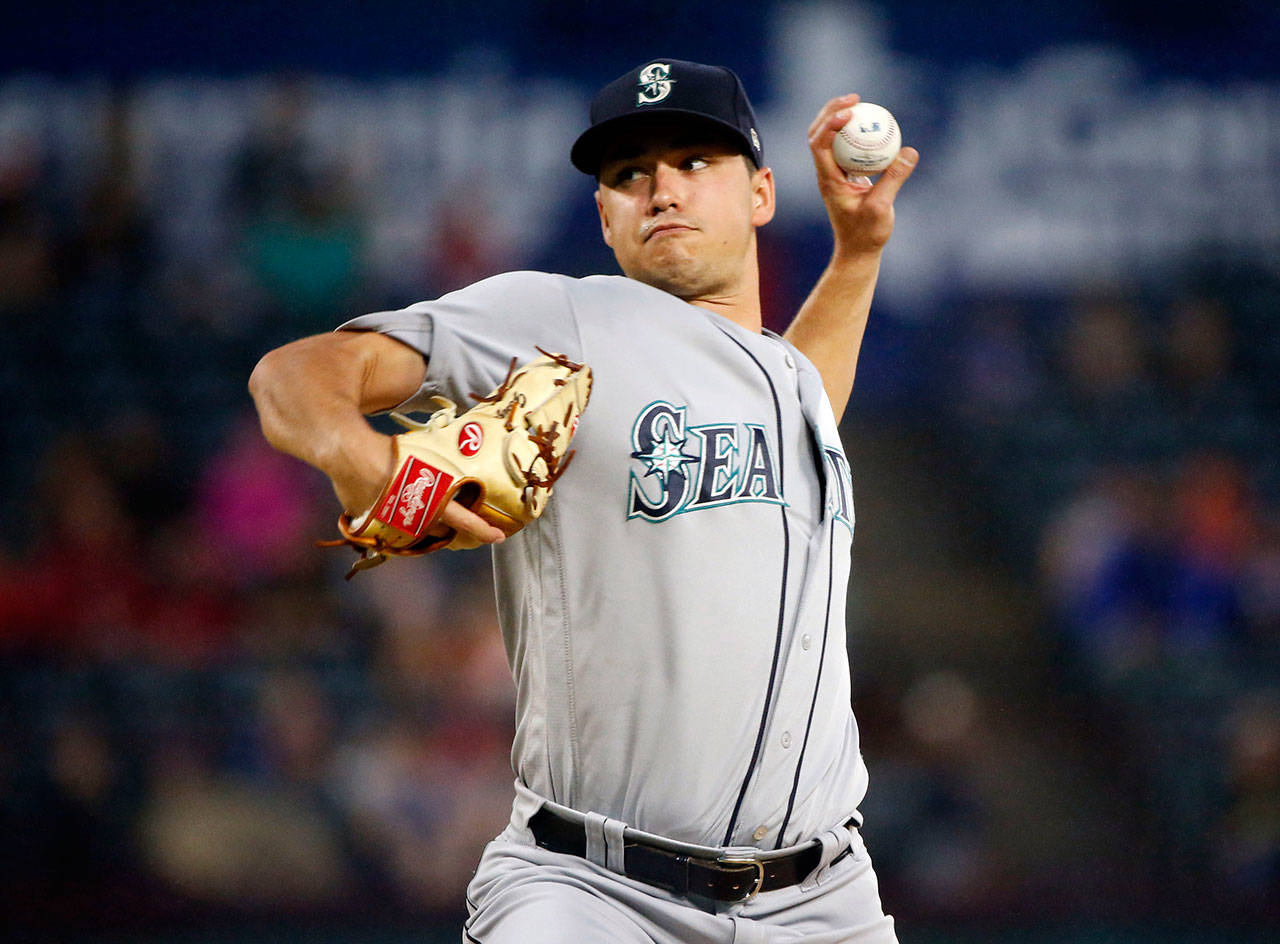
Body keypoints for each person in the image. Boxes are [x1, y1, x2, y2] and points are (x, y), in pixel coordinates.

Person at [250, 59, 916, 944]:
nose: (661, 189)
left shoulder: (786, 382)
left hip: (823, 902)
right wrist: (360, 454)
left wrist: (859, 253)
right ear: (605, 218)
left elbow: (796, 414)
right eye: (629, 174)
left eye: (693, 161)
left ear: (761, 193)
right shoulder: (561, 320)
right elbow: (295, 372)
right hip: (598, 894)